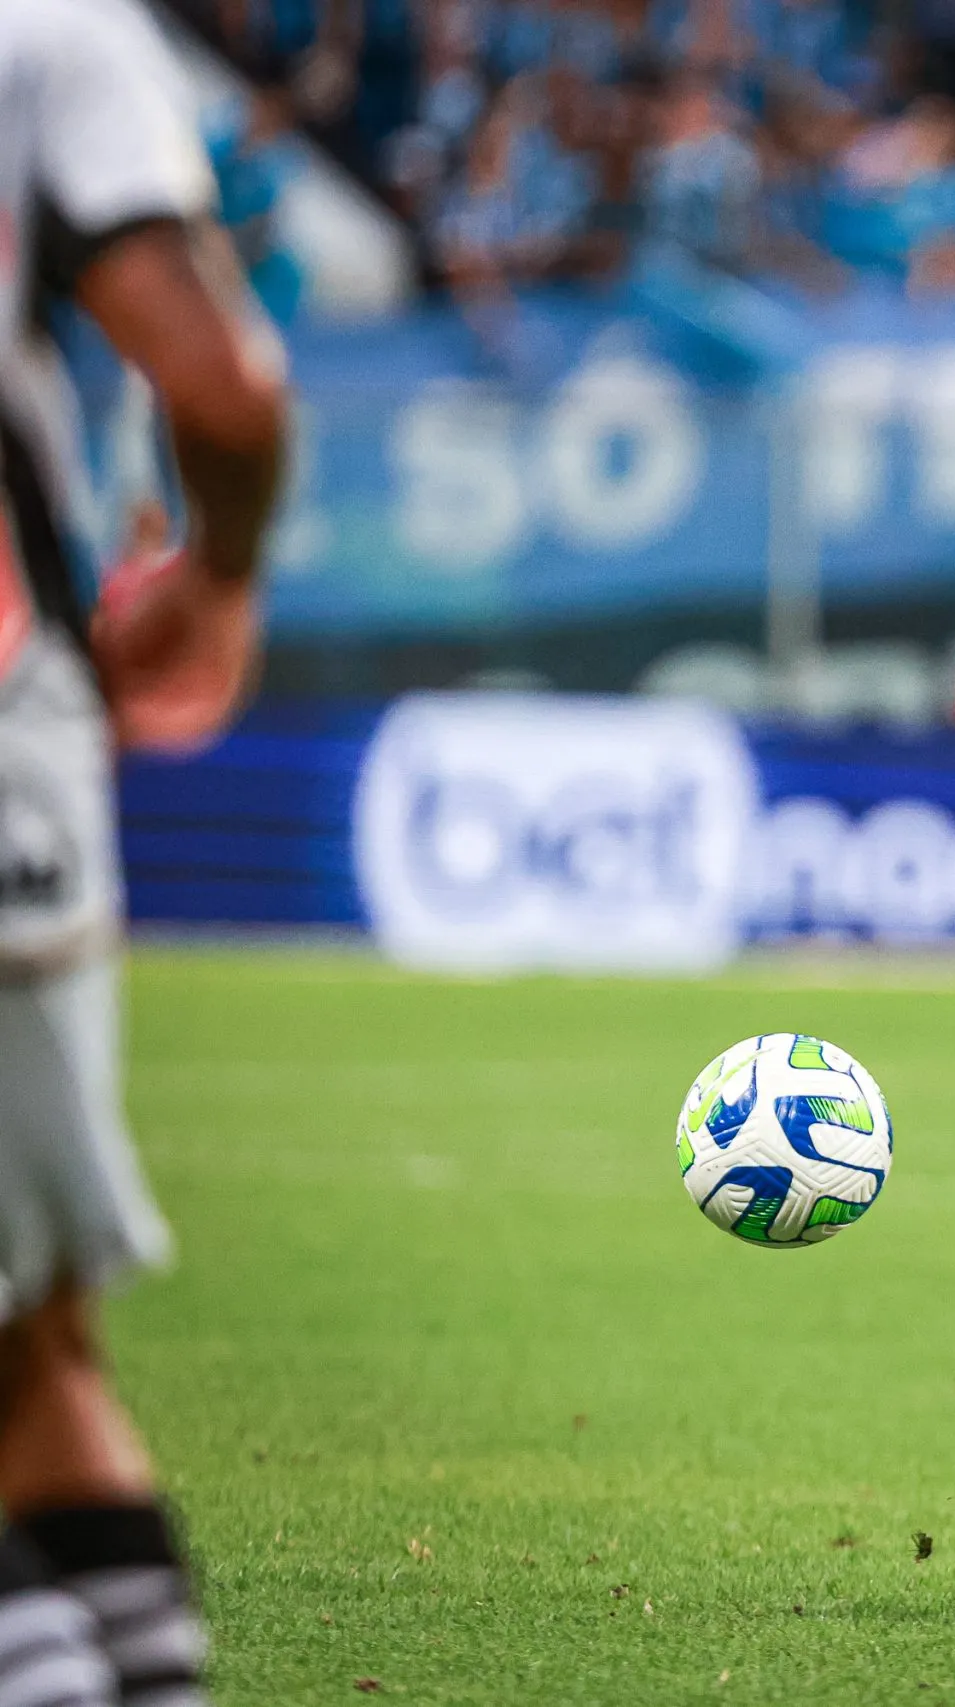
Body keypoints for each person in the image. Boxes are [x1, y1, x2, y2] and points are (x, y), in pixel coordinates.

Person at [0, 1, 288, 1701]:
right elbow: (225, 390)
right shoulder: (55, 32)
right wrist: (217, 574)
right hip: (16, 712)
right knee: (40, 1350)